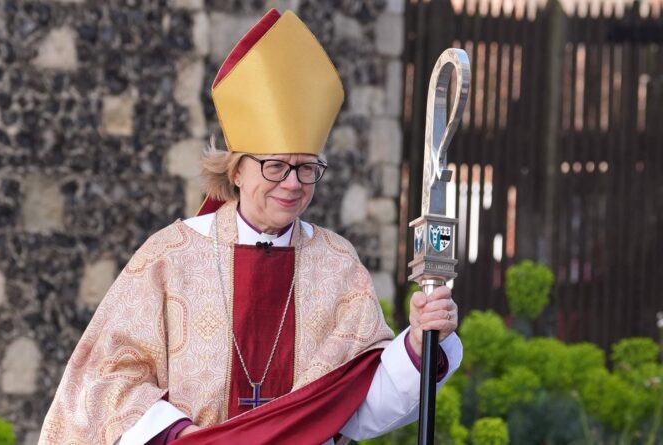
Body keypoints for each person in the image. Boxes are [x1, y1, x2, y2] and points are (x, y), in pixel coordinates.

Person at [39, 8, 462, 445]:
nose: (292, 184)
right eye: (275, 166)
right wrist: (183, 436)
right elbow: (108, 377)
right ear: (236, 170)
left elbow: (360, 404)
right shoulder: (171, 256)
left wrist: (419, 344)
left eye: (306, 168)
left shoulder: (336, 265)